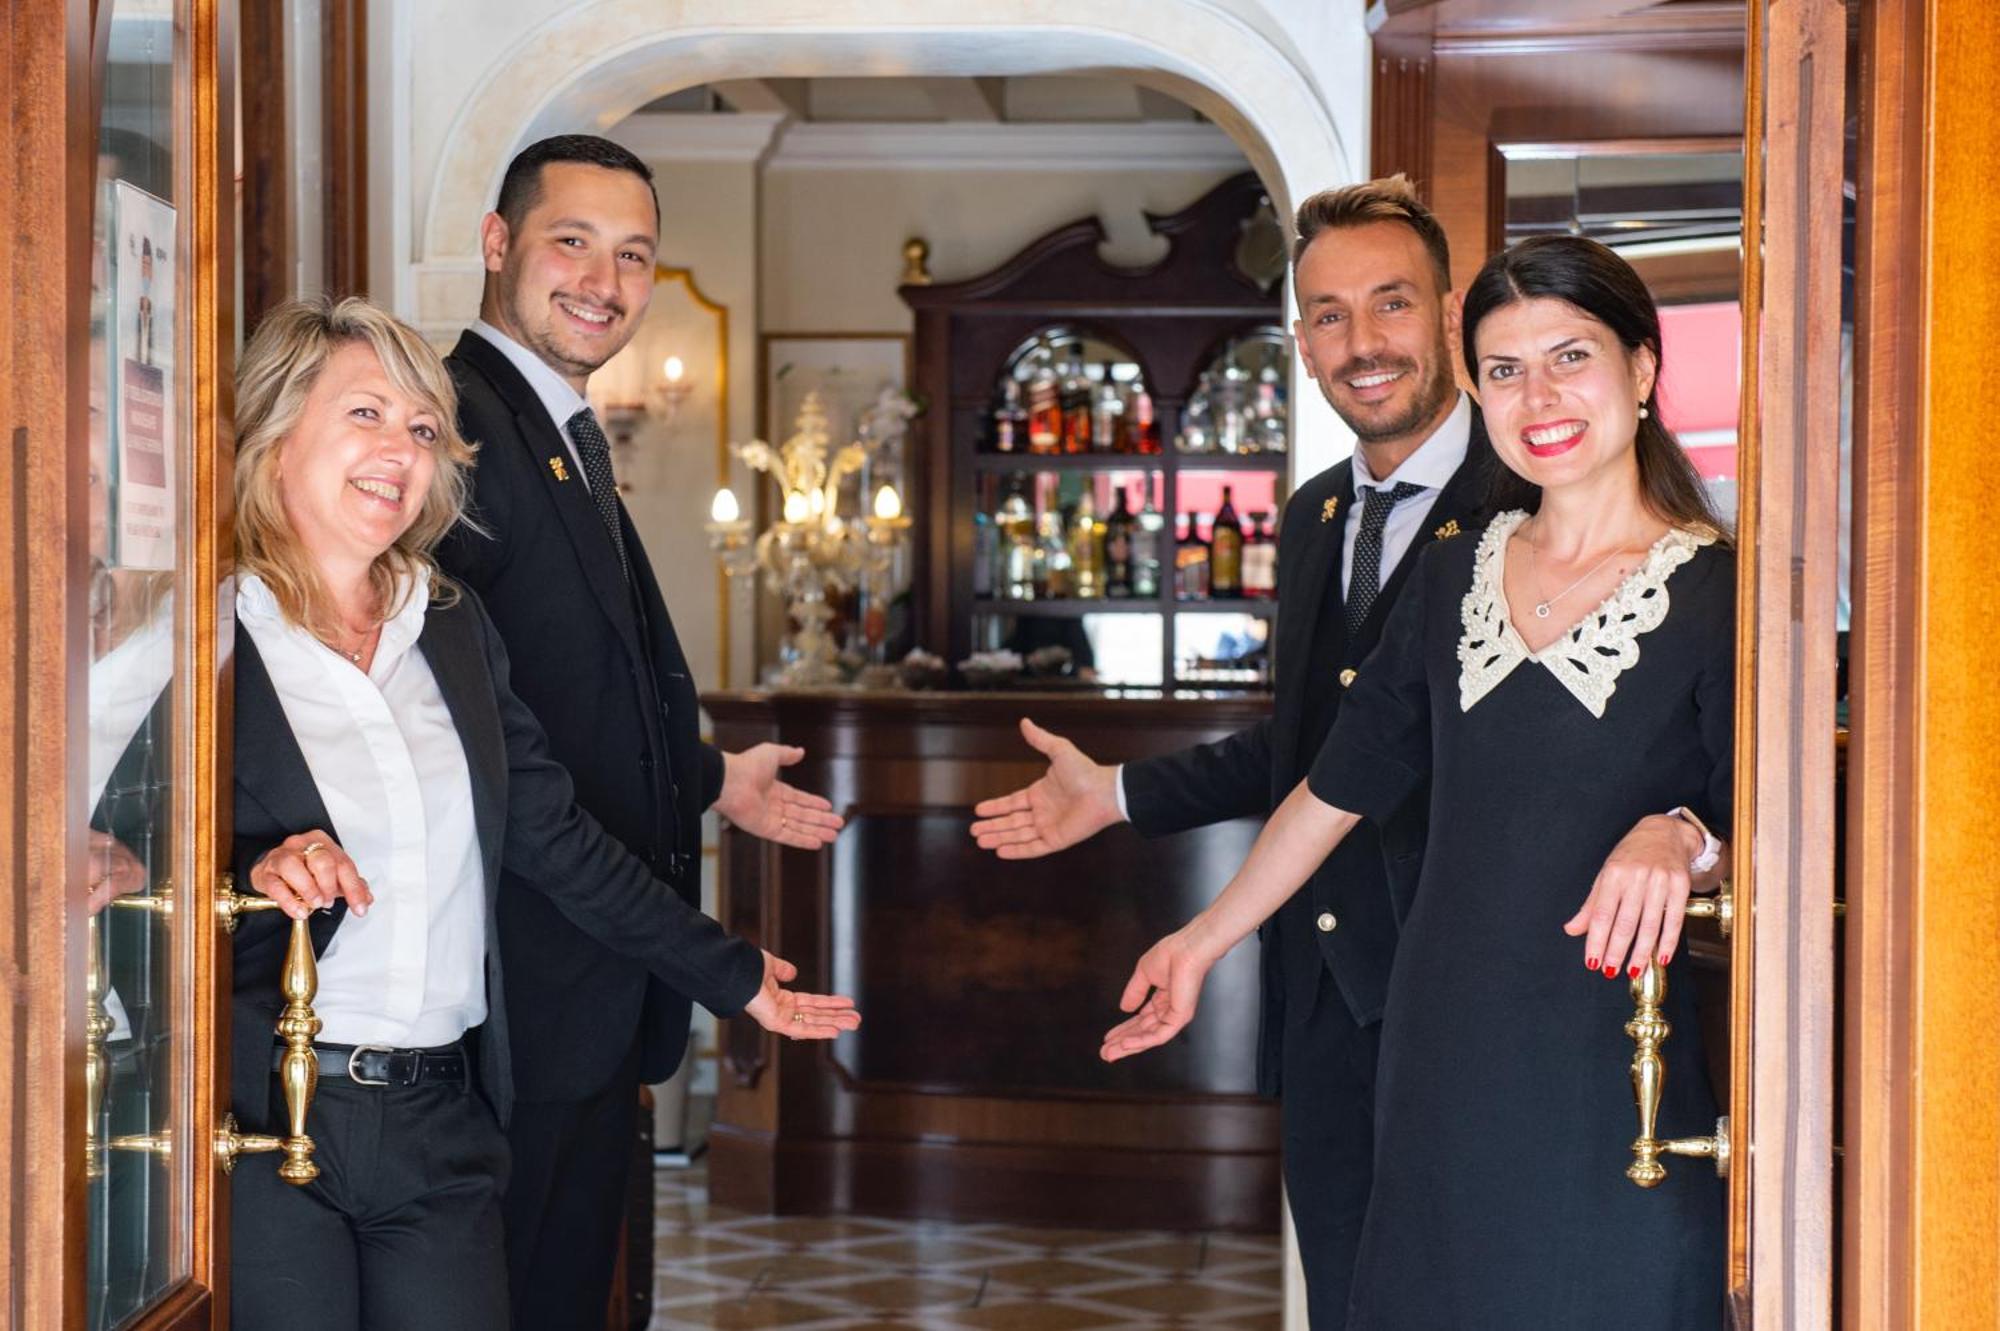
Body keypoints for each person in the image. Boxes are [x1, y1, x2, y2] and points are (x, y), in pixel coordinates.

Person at [1100, 234, 1733, 1327]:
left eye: (1568, 356)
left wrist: (1677, 830)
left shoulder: (1721, 590)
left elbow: (1780, 823)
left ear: (1639, 367)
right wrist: (1200, 942)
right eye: (1502, 369)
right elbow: (1329, 791)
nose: (1537, 395)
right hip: (1434, 1047)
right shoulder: (1452, 573)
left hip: (1612, 1065)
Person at [225, 296, 859, 1331]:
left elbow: (554, 836)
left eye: (424, 428)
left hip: (445, 1115)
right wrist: (254, 867)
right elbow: (88, 831)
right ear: (277, 430)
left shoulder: (450, 623)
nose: (402, 450)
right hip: (269, 1115)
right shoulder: (204, 634)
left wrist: (729, 971)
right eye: (367, 414)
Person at [971, 175, 1492, 1328]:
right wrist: (1115, 793)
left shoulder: (1529, 498)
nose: (1360, 343)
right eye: (1327, 314)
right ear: (1297, 337)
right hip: (1319, 1000)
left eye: (1390, 304)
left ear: (1448, 314)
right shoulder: (1311, 516)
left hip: (1465, 995)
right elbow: (1309, 746)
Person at [433, 133, 847, 1328]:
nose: (604, 282)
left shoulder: (557, 431)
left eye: (633, 255)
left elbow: (566, 691)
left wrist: (710, 775)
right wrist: (712, 963)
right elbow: (492, 755)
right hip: (516, 1003)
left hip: (587, 1001)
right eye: (572, 241)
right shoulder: (456, 428)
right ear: (498, 242)